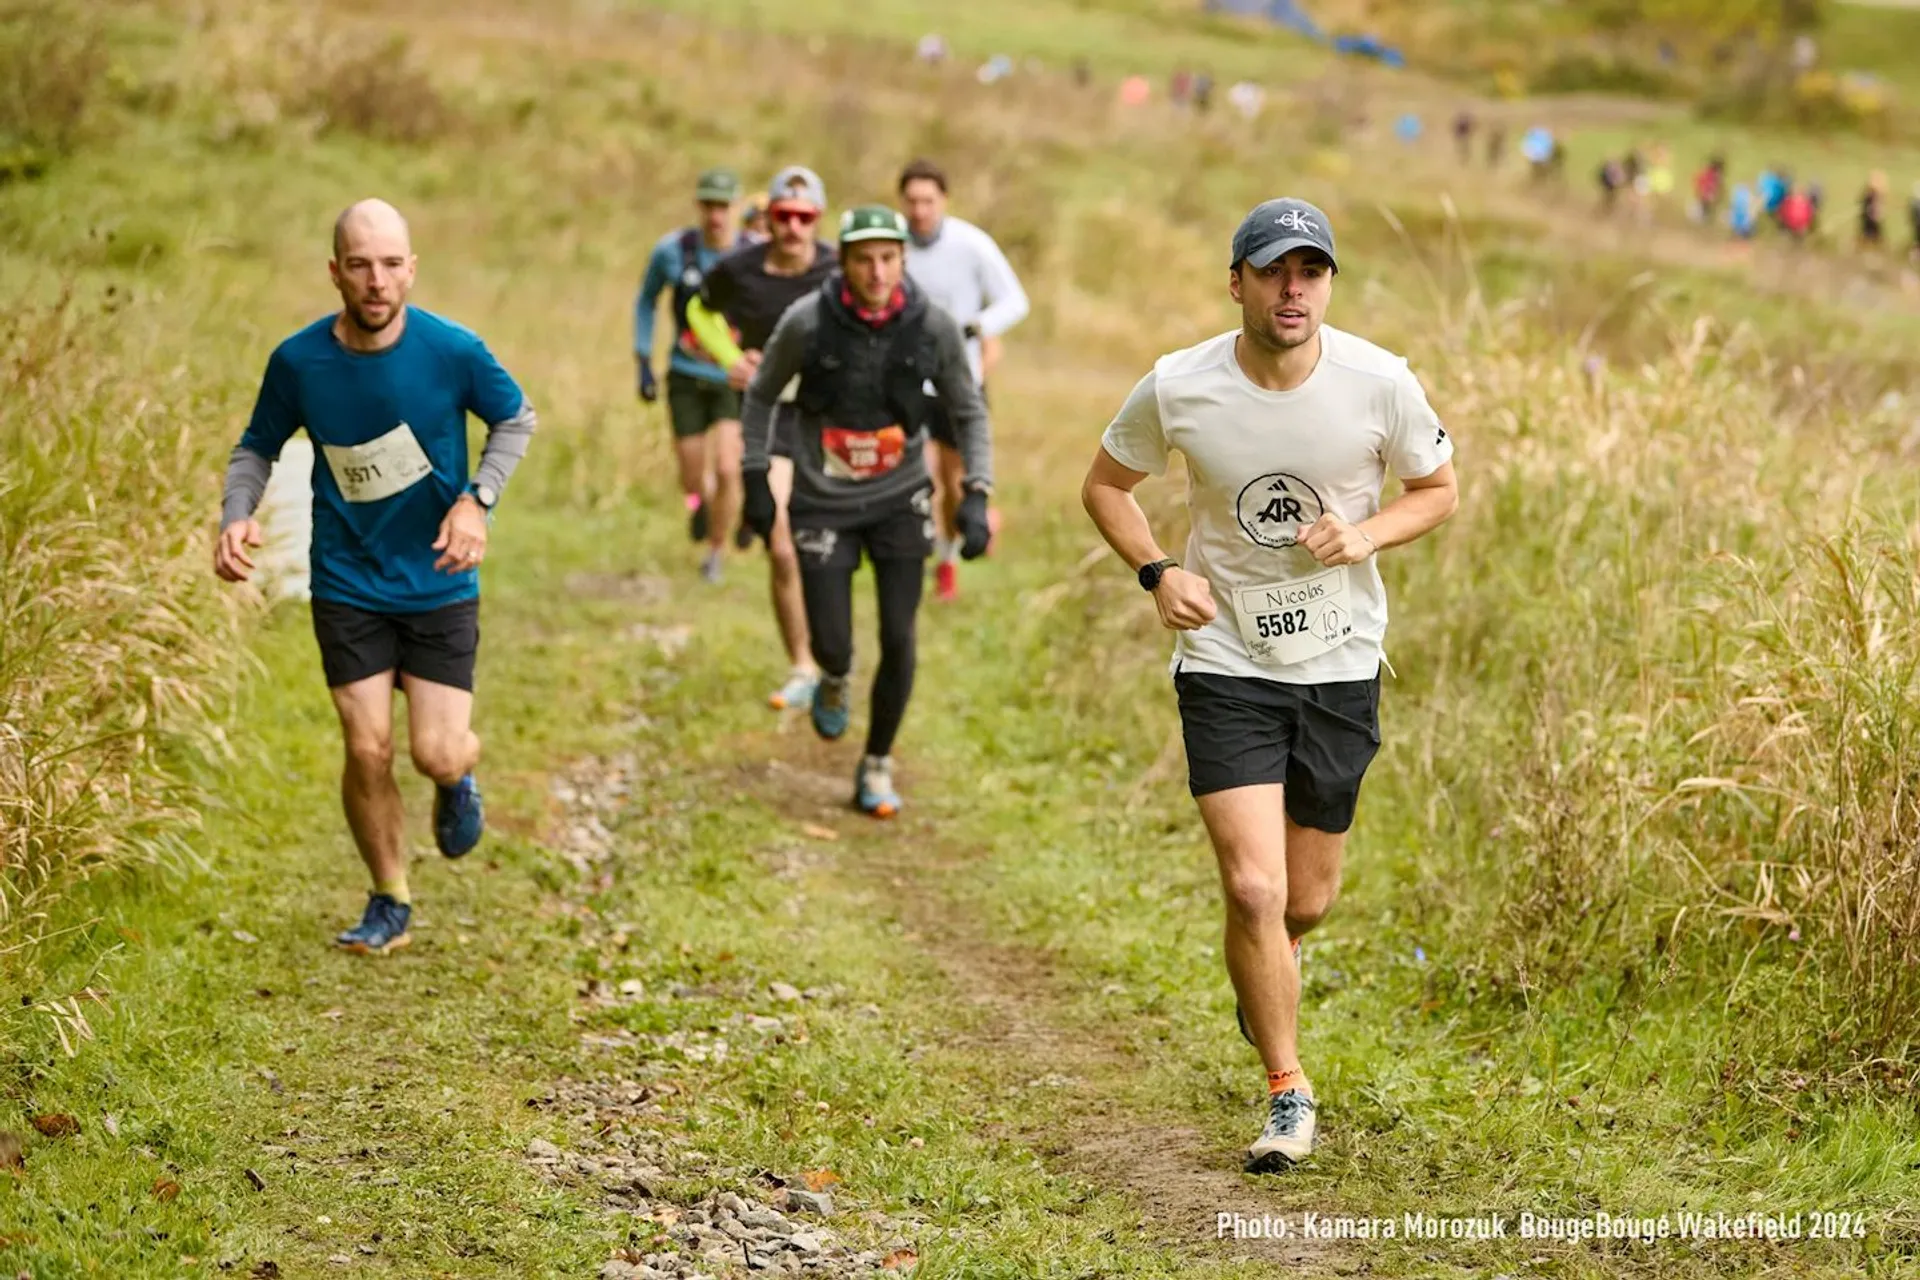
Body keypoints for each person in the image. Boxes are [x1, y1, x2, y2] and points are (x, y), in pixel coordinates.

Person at [1080, 198, 1457, 1171]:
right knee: (1253, 885)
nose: (1295, 290)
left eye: (1312, 272)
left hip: (1339, 661)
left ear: (1328, 283)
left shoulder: (1381, 382)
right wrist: (1159, 571)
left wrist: (1366, 533)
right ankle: (1288, 1089)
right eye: (1275, 270)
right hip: (1227, 662)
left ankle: (1266, 979)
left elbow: (1440, 488)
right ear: (1236, 278)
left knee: (1305, 902)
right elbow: (1106, 485)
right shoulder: (1179, 385)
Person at [215, 199, 538, 956]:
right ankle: (389, 895)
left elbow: (516, 419)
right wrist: (237, 512)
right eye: (359, 264)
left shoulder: (452, 351)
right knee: (367, 748)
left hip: (438, 577)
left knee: (436, 752)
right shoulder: (299, 362)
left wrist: (477, 500)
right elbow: (255, 447)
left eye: (391, 264)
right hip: (348, 579)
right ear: (335, 272)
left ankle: (457, 780)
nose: (376, 281)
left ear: (412, 270)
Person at [738, 206, 993, 818]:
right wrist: (753, 474)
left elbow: (969, 409)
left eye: (887, 258)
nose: (877, 271)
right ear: (844, 262)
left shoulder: (931, 324)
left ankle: (877, 762)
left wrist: (978, 492)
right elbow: (762, 393)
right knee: (834, 644)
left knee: (900, 638)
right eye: (863, 259)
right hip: (821, 502)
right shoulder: (807, 322)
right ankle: (832, 675)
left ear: (903, 260)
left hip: (900, 499)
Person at [684, 166, 836, 711]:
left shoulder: (841, 268)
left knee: (831, 546)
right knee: (780, 541)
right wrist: (730, 359)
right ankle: (803, 665)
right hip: (768, 416)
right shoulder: (739, 269)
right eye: (783, 216)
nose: (793, 227)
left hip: (831, 419)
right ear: (767, 217)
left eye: (805, 218)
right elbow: (697, 309)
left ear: (817, 221)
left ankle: (834, 656)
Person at [898, 157, 1029, 601]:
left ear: (943, 201)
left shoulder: (971, 244)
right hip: (907, 381)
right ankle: (909, 559)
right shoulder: (892, 243)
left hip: (960, 380)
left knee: (955, 485)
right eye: (912, 201)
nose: (919, 210)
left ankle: (947, 560)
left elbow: (1015, 301)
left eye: (927, 201)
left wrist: (975, 327)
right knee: (918, 475)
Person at [635, 168, 745, 583]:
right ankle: (699, 502)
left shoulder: (751, 253)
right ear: (699, 207)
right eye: (709, 206)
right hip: (684, 372)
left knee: (730, 466)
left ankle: (716, 550)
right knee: (693, 469)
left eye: (724, 206)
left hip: (731, 377)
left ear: (736, 207)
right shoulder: (673, 252)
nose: (716, 215)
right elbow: (645, 301)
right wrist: (643, 360)